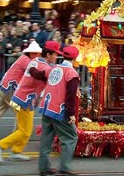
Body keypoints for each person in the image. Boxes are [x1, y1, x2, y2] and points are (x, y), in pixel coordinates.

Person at [0, 41, 62, 163]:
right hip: (23, 100)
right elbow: (40, 74)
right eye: (55, 54)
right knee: (24, 131)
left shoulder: (35, 62)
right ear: (48, 54)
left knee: (24, 129)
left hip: (20, 97)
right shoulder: (42, 66)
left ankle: (16, 152)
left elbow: (36, 73)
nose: (56, 57)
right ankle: (1, 146)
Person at [38, 46, 79, 176]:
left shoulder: (54, 68)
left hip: (46, 107)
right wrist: (71, 114)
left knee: (46, 139)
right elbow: (70, 96)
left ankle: (44, 168)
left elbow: (39, 75)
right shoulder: (71, 73)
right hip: (59, 110)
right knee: (71, 137)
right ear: (75, 58)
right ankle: (65, 167)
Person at [0, 41, 42, 119]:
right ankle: (19, 131)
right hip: (10, 91)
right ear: (30, 53)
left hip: (3, 88)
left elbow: (20, 54)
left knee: (0, 108)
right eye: (35, 53)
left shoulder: (23, 57)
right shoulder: (28, 62)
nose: (37, 56)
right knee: (20, 112)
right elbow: (34, 73)